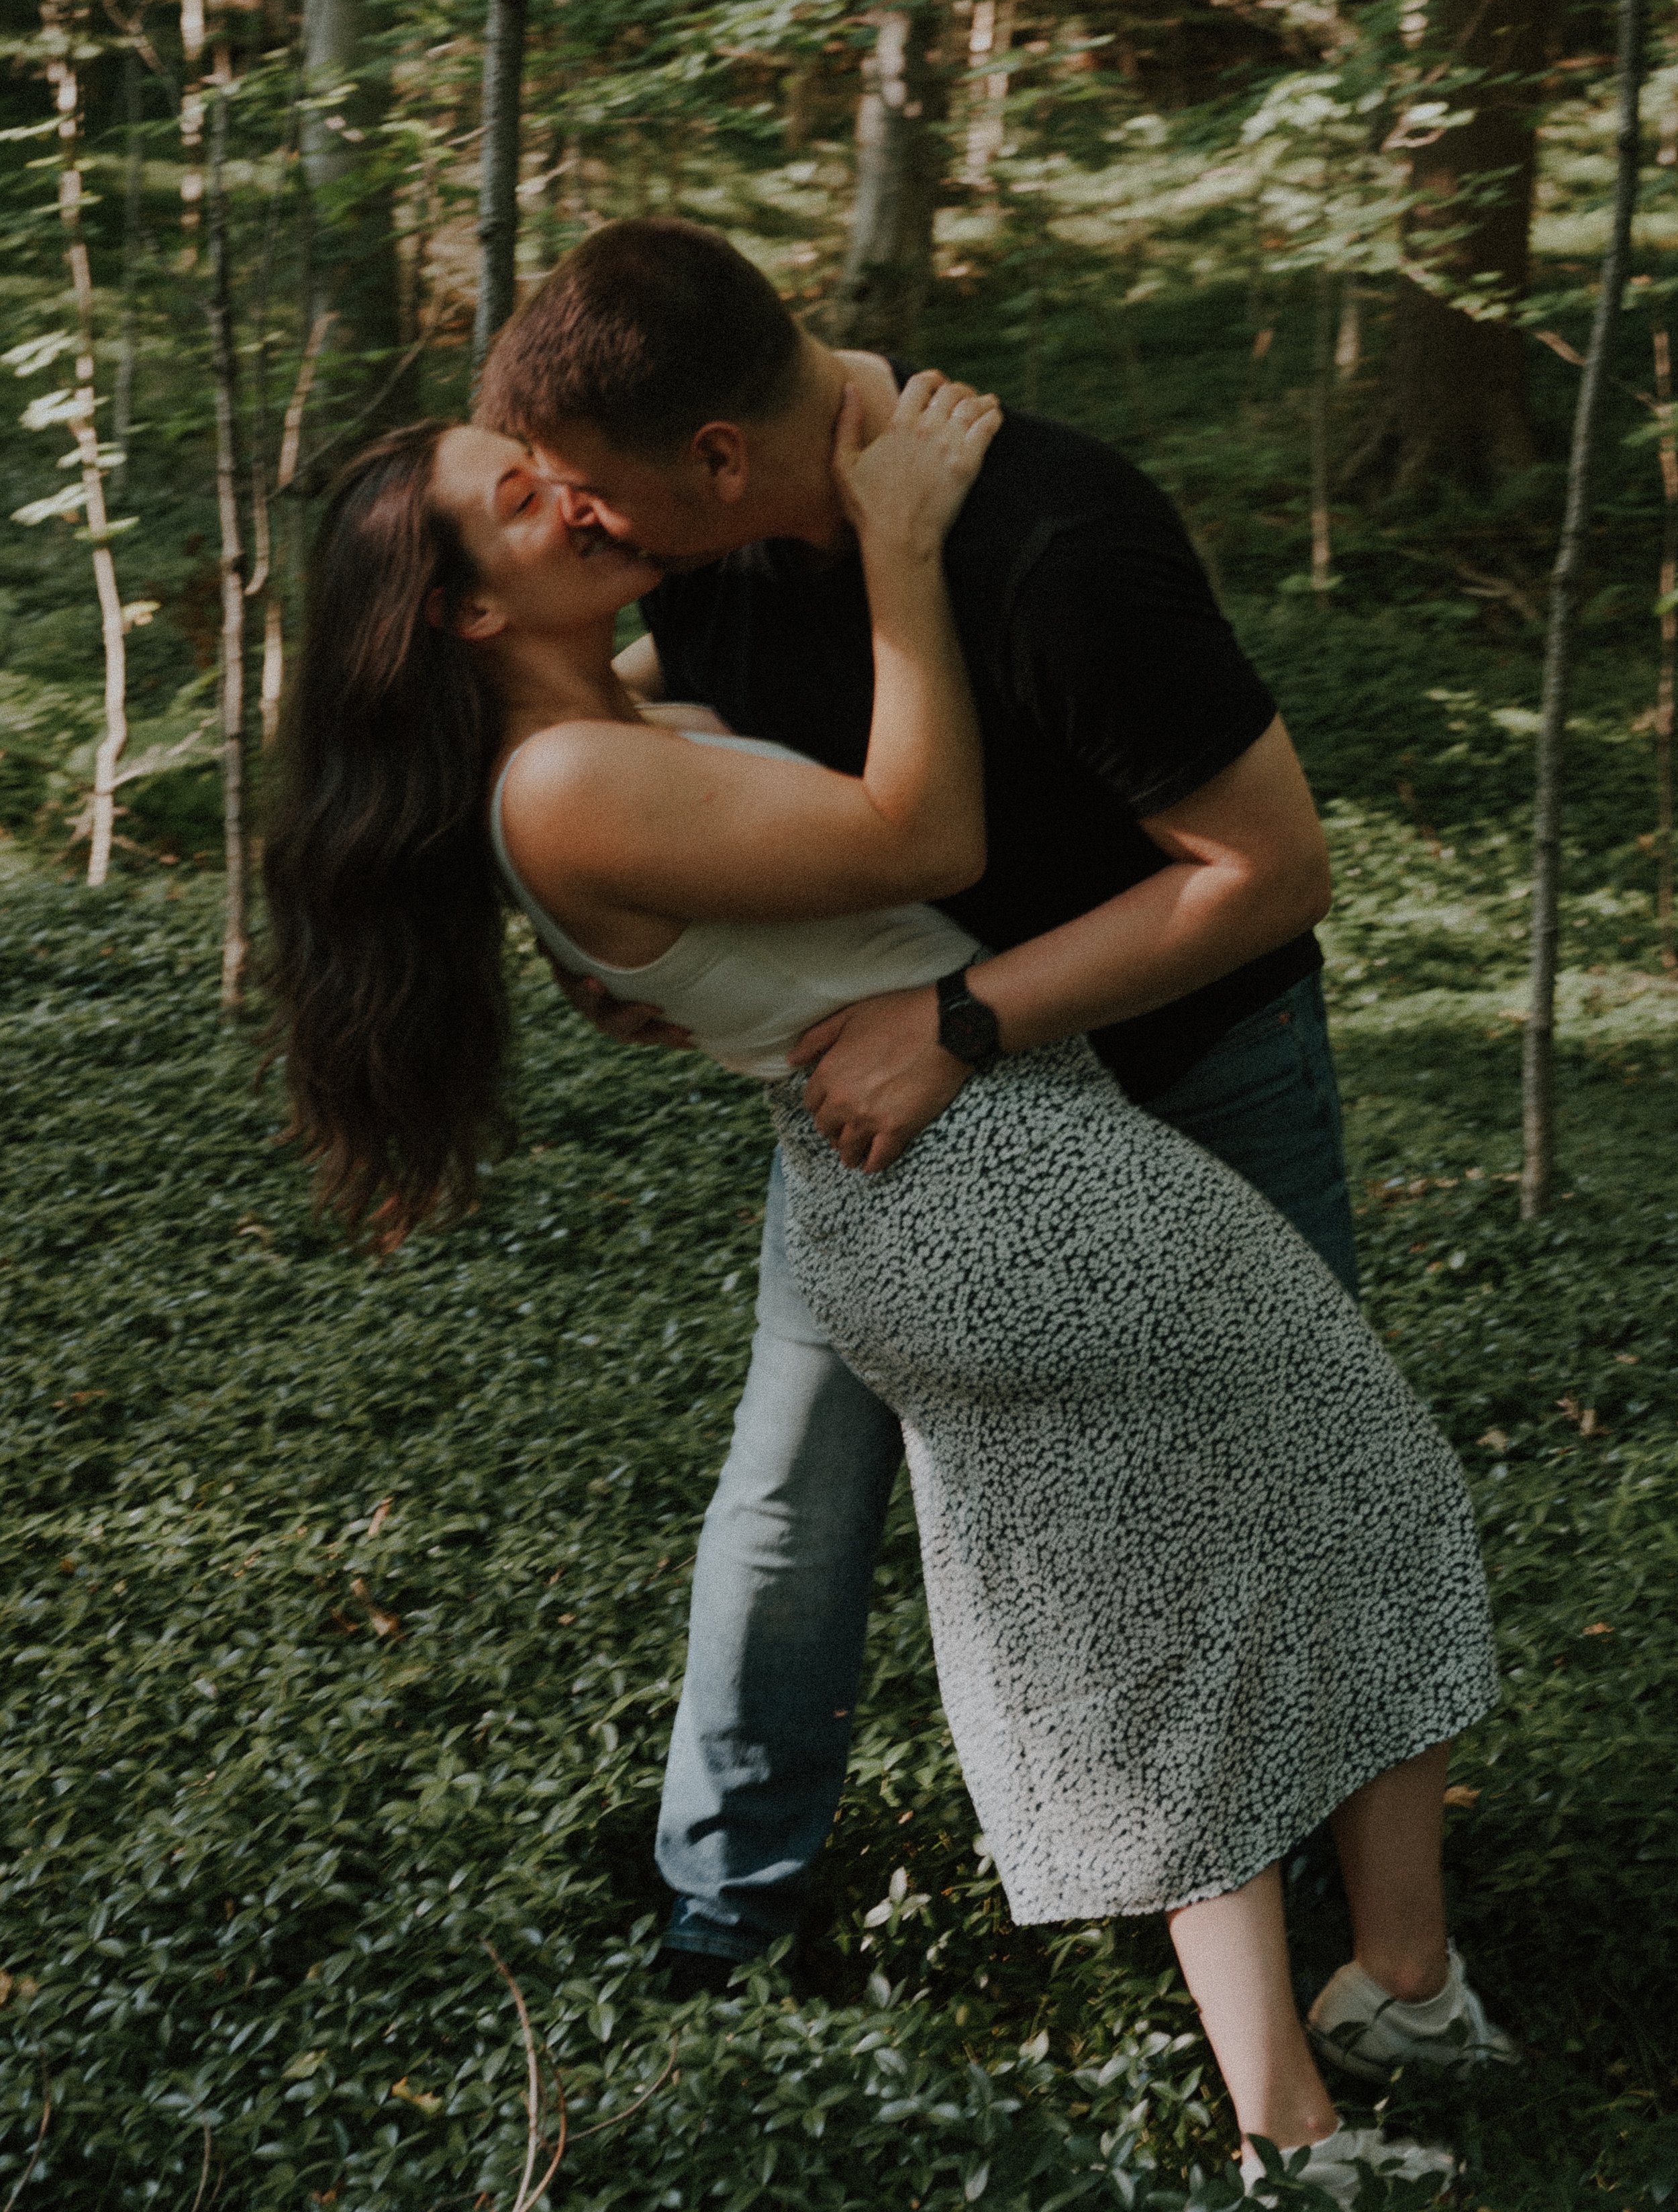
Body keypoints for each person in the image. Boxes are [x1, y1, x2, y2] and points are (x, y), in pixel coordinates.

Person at [262, 379, 1510, 2206]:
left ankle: (1391, 1990)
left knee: (1327, 1509)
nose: (576, 506)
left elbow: (758, 892)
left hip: (987, 1169)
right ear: (461, 611)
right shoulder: (572, 778)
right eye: (522, 503)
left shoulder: (631, 723)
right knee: (1189, 1604)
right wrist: (909, 542)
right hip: (994, 1186)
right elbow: (920, 841)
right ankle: (1288, 2128)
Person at [472, 222, 1362, 1997]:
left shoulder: (1056, 543)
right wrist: (629, 933)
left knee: (1276, 1481)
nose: (579, 523)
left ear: (717, 457)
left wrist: (957, 1016)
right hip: (894, 1111)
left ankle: (1323, 1917)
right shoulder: (704, 557)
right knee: (795, 1492)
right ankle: (725, 1903)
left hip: (1189, 1068)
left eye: (591, 492)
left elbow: (1268, 874)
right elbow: (682, 750)